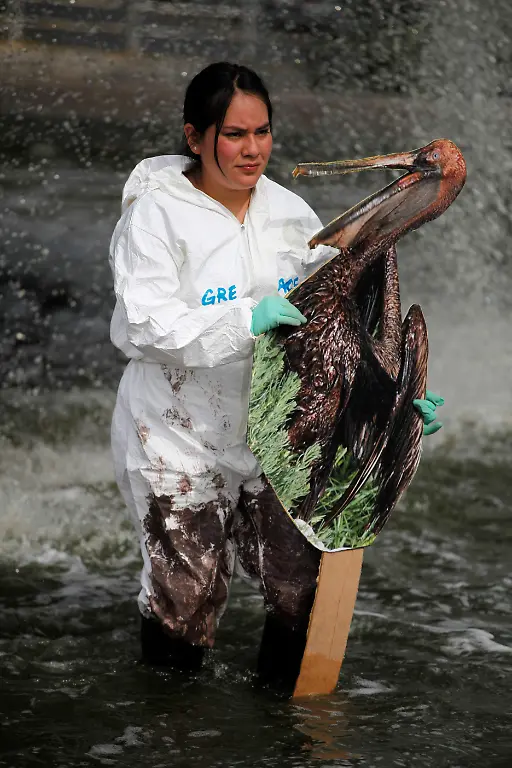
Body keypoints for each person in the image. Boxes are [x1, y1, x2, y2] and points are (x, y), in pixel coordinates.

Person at [109, 61, 443, 670]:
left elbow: (335, 326)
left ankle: (283, 720)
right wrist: (245, 320)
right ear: (195, 137)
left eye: (262, 132)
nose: (252, 149)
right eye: (235, 134)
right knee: (187, 597)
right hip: (177, 433)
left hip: (279, 429)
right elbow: (141, 325)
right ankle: (168, 721)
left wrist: (391, 395)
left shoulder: (291, 216)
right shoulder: (156, 216)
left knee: (298, 589)